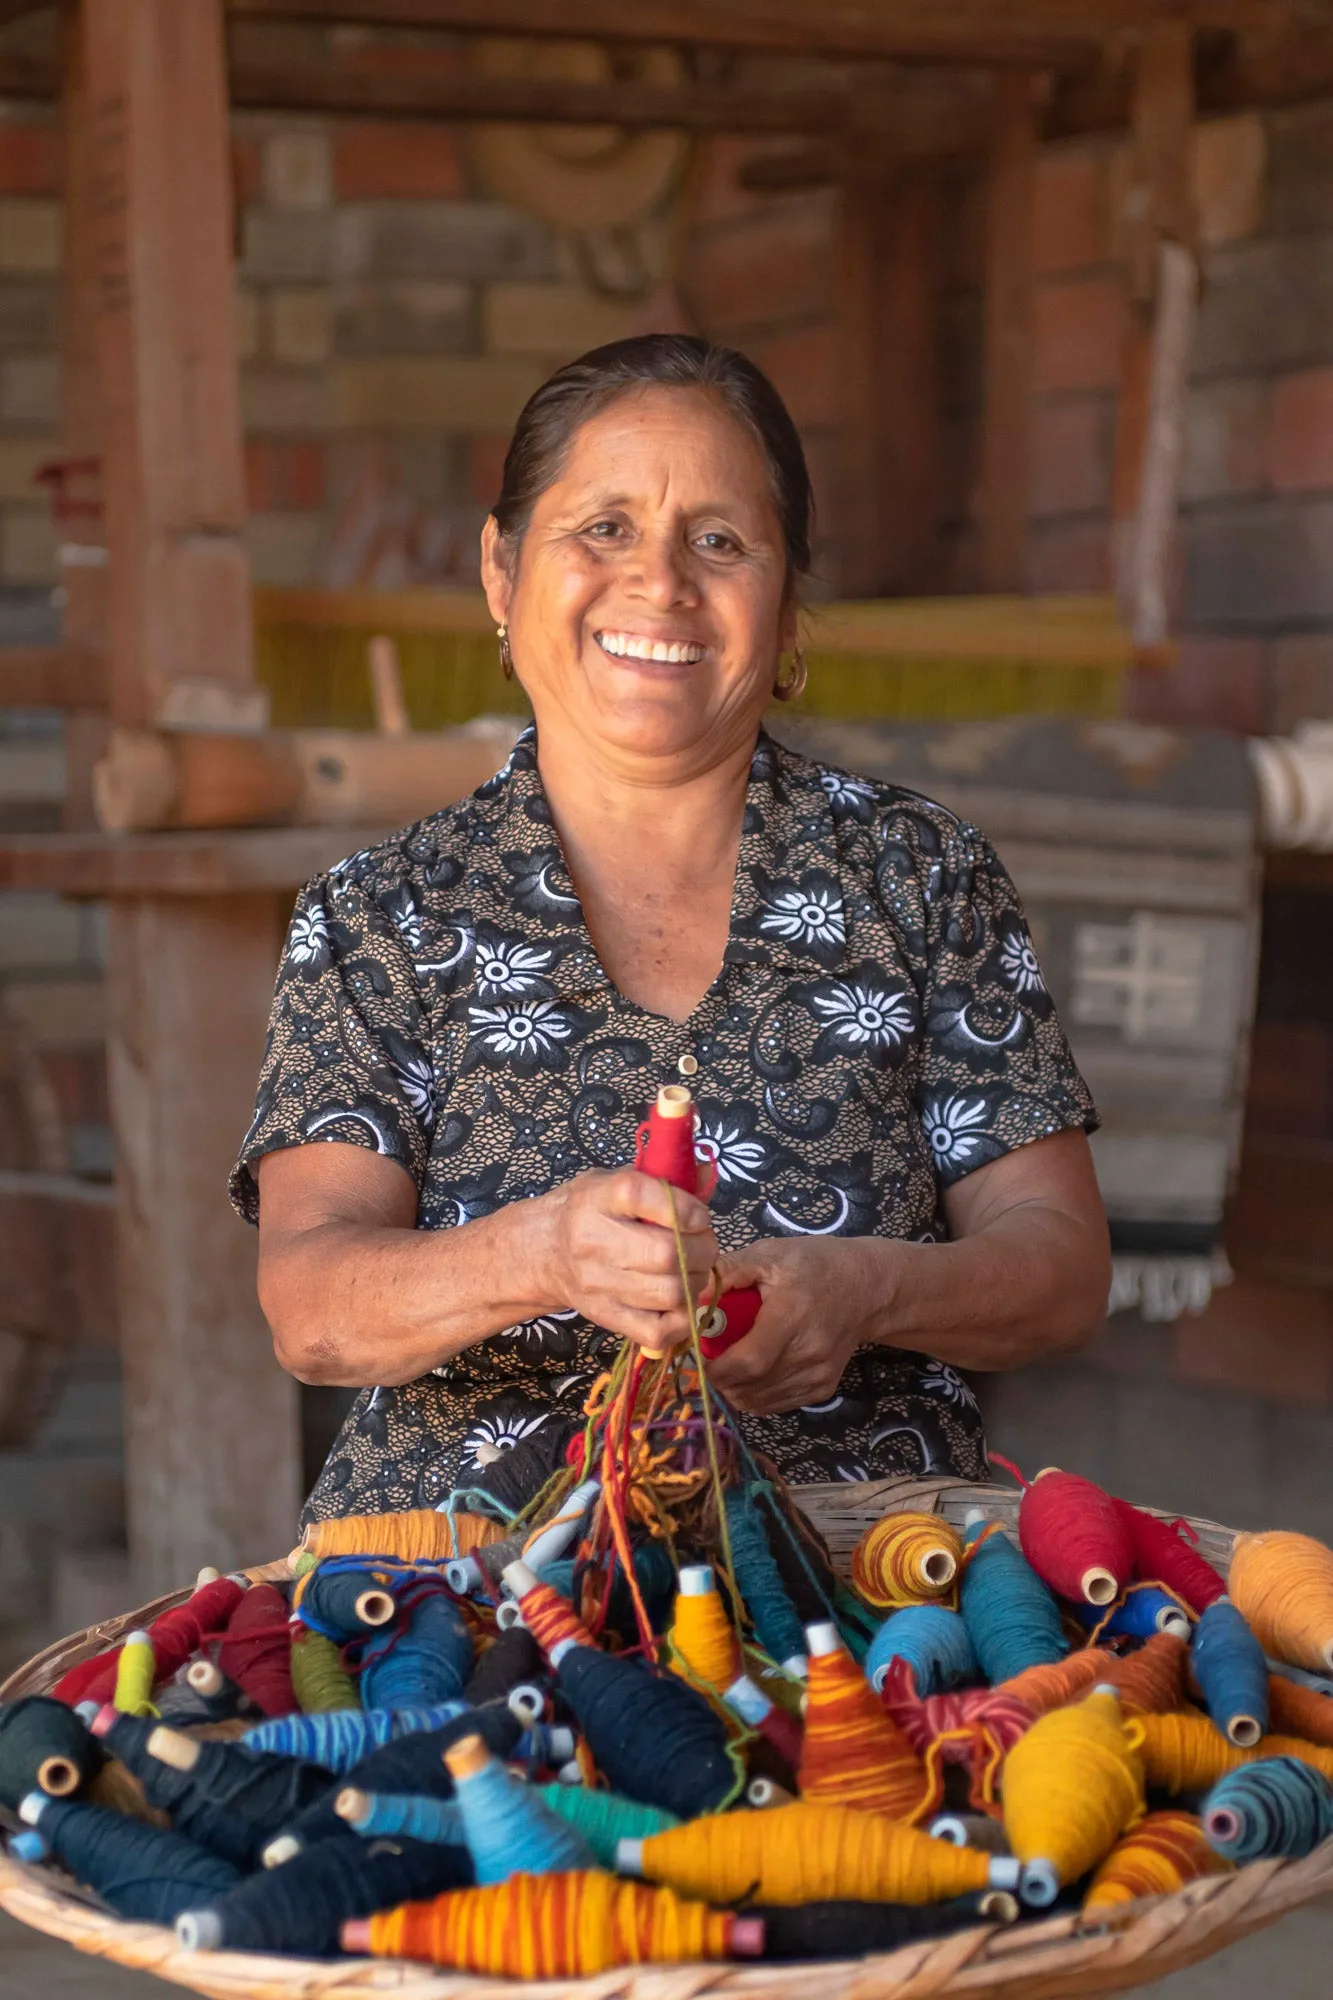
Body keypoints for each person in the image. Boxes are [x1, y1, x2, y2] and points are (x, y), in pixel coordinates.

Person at [231, 333, 1109, 1520]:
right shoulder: (382, 913)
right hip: (461, 1599)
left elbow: (1057, 1268)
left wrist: (864, 1289)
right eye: (602, 528)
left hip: (872, 1583)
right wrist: (540, 1252)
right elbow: (312, 1307)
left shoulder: (918, 875)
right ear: (502, 575)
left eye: (718, 540)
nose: (660, 583)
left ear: (786, 601)